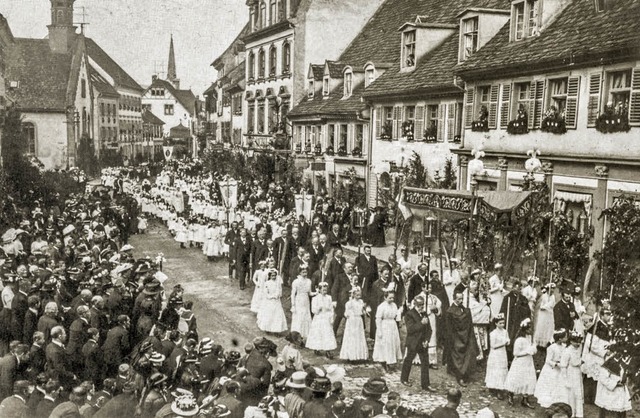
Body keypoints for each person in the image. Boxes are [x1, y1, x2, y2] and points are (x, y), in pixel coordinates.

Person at [400, 295, 435, 392]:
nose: (421, 307)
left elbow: (429, 329)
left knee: (425, 363)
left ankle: (426, 384)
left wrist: (427, 340)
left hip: (423, 343)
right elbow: (410, 330)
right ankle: (404, 379)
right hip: (413, 342)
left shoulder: (424, 314)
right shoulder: (409, 314)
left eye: (423, 305)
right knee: (408, 360)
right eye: (419, 305)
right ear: (415, 304)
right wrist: (421, 323)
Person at [444, 292, 477, 386]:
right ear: (454, 298)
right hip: (456, 337)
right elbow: (449, 328)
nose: (461, 300)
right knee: (458, 356)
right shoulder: (450, 311)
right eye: (458, 299)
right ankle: (460, 377)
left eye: (461, 298)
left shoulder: (464, 309)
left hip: (464, 335)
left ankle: (464, 373)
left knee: (468, 352)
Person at [504, 318, 537, 409]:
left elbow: (533, 348)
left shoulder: (530, 338)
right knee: (516, 379)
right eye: (529, 329)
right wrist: (527, 351)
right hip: (520, 362)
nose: (531, 331)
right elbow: (516, 354)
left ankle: (525, 399)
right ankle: (510, 396)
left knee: (528, 379)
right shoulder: (519, 340)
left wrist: (534, 349)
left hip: (528, 362)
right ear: (525, 329)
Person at [499, 278, 531, 361]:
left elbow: (528, 312)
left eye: (519, 288)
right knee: (509, 339)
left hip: (519, 323)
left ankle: (516, 356)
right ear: (513, 287)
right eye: (515, 288)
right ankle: (508, 357)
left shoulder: (523, 299)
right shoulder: (507, 298)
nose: (517, 290)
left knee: (518, 339)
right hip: (509, 322)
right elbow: (502, 310)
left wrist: (526, 320)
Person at [535, 329, 568, 408]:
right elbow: (547, 360)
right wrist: (556, 364)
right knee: (550, 385)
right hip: (552, 369)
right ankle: (548, 402)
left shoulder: (564, 347)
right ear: (560, 338)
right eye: (565, 337)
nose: (566, 339)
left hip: (560, 368)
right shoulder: (551, 348)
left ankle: (557, 401)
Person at [372, 291, 402, 371]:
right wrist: (379, 331)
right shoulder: (381, 306)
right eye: (390, 298)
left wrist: (399, 314)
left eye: (393, 298)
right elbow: (378, 319)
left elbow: (396, 315)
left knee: (393, 344)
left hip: (393, 325)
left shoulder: (394, 305)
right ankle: (384, 363)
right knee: (386, 345)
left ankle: (391, 363)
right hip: (385, 326)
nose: (392, 299)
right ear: (385, 298)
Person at [306, 282, 337, 359]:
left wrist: (331, 317)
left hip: (326, 317)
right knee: (318, 333)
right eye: (323, 290)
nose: (325, 291)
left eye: (326, 290)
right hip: (319, 318)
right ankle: (317, 347)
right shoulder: (315, 298)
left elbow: (331, 309)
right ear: (319, 290)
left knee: (327, 333)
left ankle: (328, 351)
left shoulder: (329, 298)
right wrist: (318, 309)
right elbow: (313, 310)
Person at [339, 287, 368, 362]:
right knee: (352, 337)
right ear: (353, 295)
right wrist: (350, 314)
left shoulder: (361, 302)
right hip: (352, 321)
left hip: (359, 321)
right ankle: (351, 355)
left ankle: (359, 355)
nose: (359, 296)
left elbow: (363, 312)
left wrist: (364, 310)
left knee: (359, 337)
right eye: (357, 295)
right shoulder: (349, 303)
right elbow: (346, 313)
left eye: (360, 295)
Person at [485, 314, 510, 400]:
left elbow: (507, 339)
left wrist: (508, 342)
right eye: (500, 323)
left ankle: (500, 388)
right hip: (495, 354)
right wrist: (504, 343)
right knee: (495, 369)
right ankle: (493, 387)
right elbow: (493, 346)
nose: (502, 325)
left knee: (501, 369)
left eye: (503, 323)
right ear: (496, 323)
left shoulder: (505, 332)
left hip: (502, 353)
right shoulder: (493, 333)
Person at [257, 268, 288, 334]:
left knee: (277, 315)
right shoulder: (267, 283)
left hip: (276, 301)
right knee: (269, 314)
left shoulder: (277, 283)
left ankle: (276, 330)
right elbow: (265, 293)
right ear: (269, 276)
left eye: (274, 276)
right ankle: (268, 328)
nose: (273, 277)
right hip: (269, 300)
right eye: (272, 276)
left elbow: (279, 290)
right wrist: (271, 296)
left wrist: (277, 295)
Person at [561, 331, 584, 418]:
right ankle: (571, 413)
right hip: (570, 373)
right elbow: (563, 366)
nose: (578, 343)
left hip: (577, 373)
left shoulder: (578, 350)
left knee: (578, 393)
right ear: (571, 341)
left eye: (579, 341)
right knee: (571, 394)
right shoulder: (567, 351)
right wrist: (565, 379)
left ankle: (579, 413)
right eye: (576, 341)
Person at [290, 265, 313, 339]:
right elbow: (293, 294)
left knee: (305, 317)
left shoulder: (309, 281)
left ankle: (305, 336)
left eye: (306, 271)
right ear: (299, 272)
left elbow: (310, 293)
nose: (305, 273)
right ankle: (296, 336)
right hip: (299, 300)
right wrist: (293, 305)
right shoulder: (296, 281)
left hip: (306, 301)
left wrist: (317, 293)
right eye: (303, 271)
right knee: (299, 318)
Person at [534, 283, 556, 347]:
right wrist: (544, 307)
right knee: (541, 325)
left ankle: (546, 342)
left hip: (549, 314)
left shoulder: (553, 297)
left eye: (553, 290)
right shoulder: (544, 296)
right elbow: (540, 306)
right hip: (543, 314)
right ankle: (539, 342)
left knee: (548, 327)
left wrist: (547, 306)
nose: (552, 291)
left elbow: (552, 304)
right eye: (550, 289)